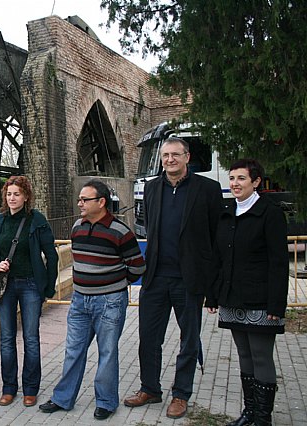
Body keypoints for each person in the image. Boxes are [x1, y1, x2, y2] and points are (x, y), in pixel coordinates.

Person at [123, 137, 223, 419]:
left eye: (175, 155)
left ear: (187, 157)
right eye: (165, 155)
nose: (169, 160)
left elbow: (216, 239)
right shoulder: (153, 188)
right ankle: (150, 388)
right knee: (148, 338)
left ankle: (181, 394)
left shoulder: (207, 189)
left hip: (188, 280)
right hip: (155, 277)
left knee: (189, 340)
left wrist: (212, 286)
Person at [39, 179, 146, 421]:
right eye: (79, 199)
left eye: (85, 199)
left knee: (107, 352)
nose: (80, 204)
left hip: (109, 302)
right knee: (73, 351)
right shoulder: (77, 226)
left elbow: (138, 268)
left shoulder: (120, 231)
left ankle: (106, 402)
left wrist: (113, 285)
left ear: (101, 202)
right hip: (79, 301)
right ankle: (62, 398)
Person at [206, 159, 288, 426]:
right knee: (244, 355)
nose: (234, 184)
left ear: (256, 182)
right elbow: (219, 257)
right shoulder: (227, 212)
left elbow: (278, 262)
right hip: (232, 297)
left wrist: (277, 305)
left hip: (261, 299)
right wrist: (213, 295)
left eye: (241, 178)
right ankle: (250, 412)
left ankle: (263, 419)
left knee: (261, 355)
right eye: (231, 178)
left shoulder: (270, 213)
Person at [0, 175, 59, 408]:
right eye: (9, 194)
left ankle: (31, 389)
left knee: (31, 338)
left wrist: (49, 286)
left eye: (17, 194)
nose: (12, 198)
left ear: (26, 196)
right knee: (6, 338)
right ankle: (9, 388)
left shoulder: (36, 220)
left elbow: (52, 255)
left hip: (31, 286)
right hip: (5, 286)